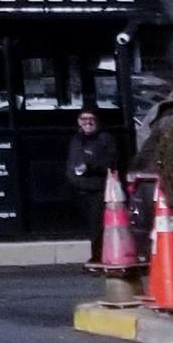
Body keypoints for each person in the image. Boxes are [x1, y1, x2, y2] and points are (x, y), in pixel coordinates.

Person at [64, 108, 122, 271]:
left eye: (91, 119)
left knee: (98, 227)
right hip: (79, 190)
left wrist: (90, 167)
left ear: (97, 121)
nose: (87, 122)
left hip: (98, 190)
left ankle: (98, 259)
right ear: (78, 121)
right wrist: (71, 177)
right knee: (91, 227)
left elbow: (112, 163)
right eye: (84, 119)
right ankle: (97, 257)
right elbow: (71, 162)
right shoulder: (76, 139)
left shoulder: (105, 139)